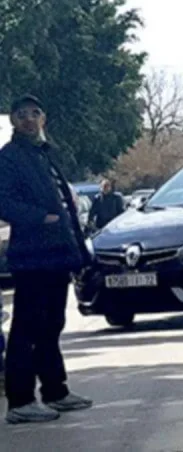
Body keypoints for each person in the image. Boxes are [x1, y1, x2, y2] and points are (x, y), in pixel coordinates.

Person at [0, 95, 93, 424]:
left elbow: (67, 208)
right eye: (21, 114)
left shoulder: (44, 155)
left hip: (57, 256)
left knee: (52, 325)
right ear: (13, 121)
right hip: (32, 258)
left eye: (34, 113)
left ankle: (56, 391)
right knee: (27, 327)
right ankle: (21, 400)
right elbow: (4, 203)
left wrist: (79, 254)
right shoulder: (9, 158)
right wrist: (41, 218)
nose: (28, 119)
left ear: (44, 118)